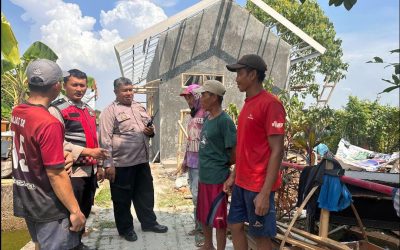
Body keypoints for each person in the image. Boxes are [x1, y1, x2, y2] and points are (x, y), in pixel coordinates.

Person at [11, 59, 86, 250]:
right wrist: (75, 211)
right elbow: (56, 174)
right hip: (47, 203)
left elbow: (31, 145)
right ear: (57, 86)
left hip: (26, 196)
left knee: (39, 243)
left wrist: (62, 152)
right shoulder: (49, 123)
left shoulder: (18, 112)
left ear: (28, 83)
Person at [224, 54, 286, 250]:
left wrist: (265, 192)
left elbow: (277, 151)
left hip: (258, 185)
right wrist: (234, 175)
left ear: (252, 75)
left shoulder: (271, 104)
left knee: (261, 236)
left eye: (240, 73)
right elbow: (245, 147)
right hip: (242, 182)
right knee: (234, 225)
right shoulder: (247, 104)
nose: (236, 78)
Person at [99, 77, 168, 242]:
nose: (129, 93)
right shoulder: (109, 111)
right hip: (122, 164)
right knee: (122, 199)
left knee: (145, 194)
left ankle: (149, 223)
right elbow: (105, 139)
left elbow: (150, 128)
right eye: (125, 90)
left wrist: (151, 131)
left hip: (142, 161)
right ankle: (126, 229)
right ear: (116, 91)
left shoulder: (139, 107)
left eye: (131, 89)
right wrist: (108, 164)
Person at [48, 69, 109, 249]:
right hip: (71, 172)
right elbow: (57, 142)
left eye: (82, 85)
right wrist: (88, 152)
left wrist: (99, 166)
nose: (79, 89)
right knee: (70, 214)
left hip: (89, 170)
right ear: (64, 86)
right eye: (74, 85)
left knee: (85, 209)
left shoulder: (89, 111)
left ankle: (78, 243)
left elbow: (95, 140)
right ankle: (69, 245)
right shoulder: (56, 109)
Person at [195, 80, 237, 250]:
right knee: (204, 214)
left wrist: (223, 165)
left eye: (204, 95)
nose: (201, 98)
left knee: (218, 219)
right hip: (204, 175)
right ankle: (207, 245)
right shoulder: (208, 118)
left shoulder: (225, 121)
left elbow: (234, 152)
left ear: (214, 97)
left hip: (217, 178)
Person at [179, 84, 207, 247]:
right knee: (196, 197)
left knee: (199, 197)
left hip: (203, 163)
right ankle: (198, 227)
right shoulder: (192, 115)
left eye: (190, 97)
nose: (188, 100)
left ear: (197, 96)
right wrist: (185, 160)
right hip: (192, 162)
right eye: (186, 98)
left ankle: (204, 231)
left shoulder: (207, 114)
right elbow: (190, 140)